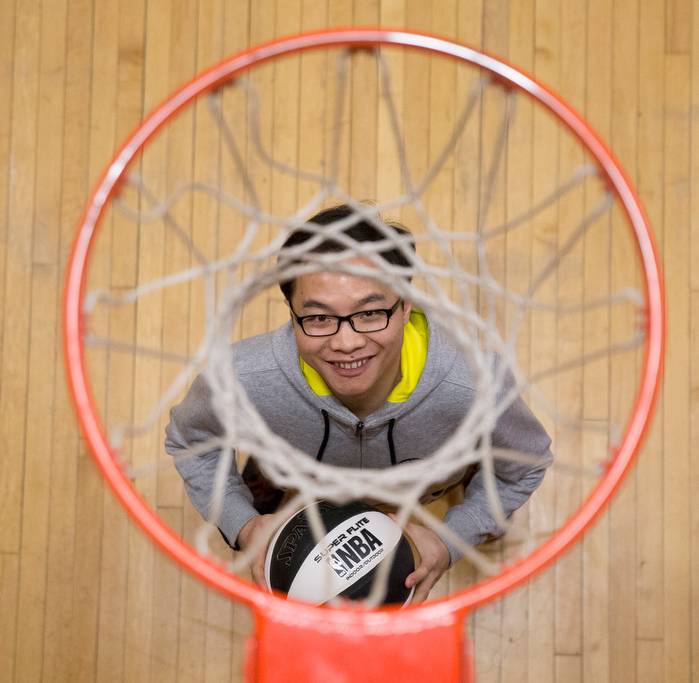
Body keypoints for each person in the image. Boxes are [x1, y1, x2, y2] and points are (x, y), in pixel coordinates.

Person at [165, 204, 553, 603]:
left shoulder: (473, 383)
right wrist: (243, 524)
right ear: (293, 313)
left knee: (486, 512)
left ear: (405, 305)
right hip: (298, 477)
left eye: (370, 313)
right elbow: (191, 444)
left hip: (431, 483)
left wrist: (451, 537)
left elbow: (525, 464)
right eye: (318, 319)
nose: (346, 343)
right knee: (257, 492)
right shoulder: (241, 376)